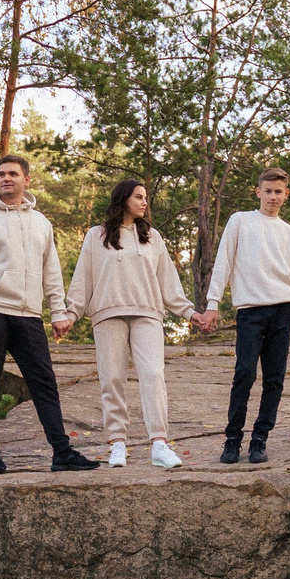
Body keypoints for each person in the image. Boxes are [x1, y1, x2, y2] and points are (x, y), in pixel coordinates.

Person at [0, 154, 100, 474]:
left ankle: (61, 452)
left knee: (45, 382)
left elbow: (51, 271)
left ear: (26, 179)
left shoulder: (41, 223)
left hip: (29, 315)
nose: (5, 178)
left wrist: (59, 312)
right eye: (1, 174)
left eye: (12, 174)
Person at [67, 178, 199, 468]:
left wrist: (189, 312)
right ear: (123, 198)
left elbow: (168, 281)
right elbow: (83, 280)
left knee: (153, 374)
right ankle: (117, 443)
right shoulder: (96, 235)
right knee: (112, 378)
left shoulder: (153, 237)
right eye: (139, 196)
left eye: (146, 197)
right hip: (107, 313)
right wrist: (71, 313)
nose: (144, 202)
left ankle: (160, 444)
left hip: (148, 313)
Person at [203, 166, 290, 465]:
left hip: (282, 311)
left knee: (275, 379)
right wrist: (213, 303)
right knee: (244, 374)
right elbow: (223, 263)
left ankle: (259, 440)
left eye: (279, 192)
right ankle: (232, 439)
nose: (273, 197)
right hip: (250, 311)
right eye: (268, 191)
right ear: (258, 192)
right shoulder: (240, 221)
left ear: (286, 195)